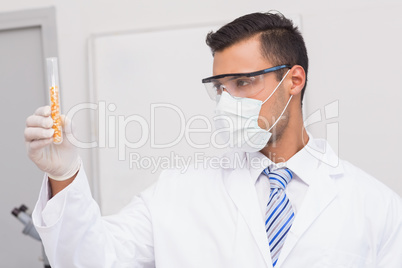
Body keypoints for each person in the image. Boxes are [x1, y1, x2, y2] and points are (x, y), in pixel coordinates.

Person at [25, 12, 401, 268]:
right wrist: (66, 174)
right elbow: (91, 259)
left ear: (293, 81)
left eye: (243, 82)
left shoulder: (376, 206)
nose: (228, 102)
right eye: (220, 87)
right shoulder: (177, 192)